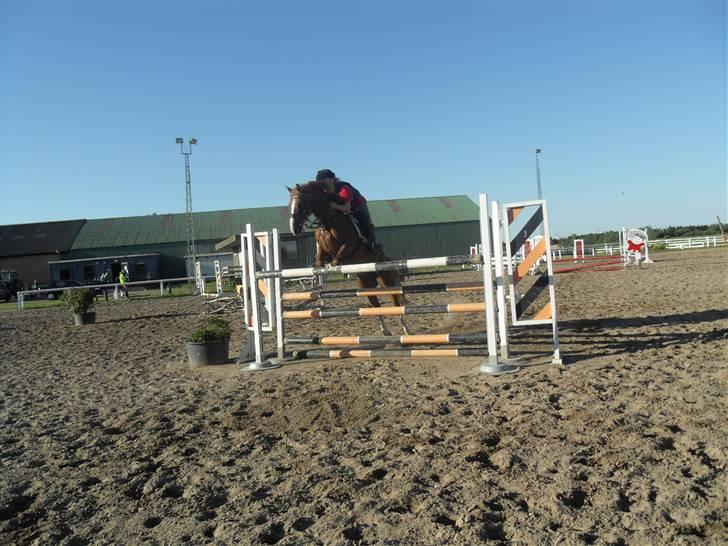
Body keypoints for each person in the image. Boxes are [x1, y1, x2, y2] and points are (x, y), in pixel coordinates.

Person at [315, 168, 381, 251]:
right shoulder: (325, 191)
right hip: (341, 205)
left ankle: (373, 243)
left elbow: (347, 207)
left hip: (357, 206)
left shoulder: (344, 188)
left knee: (366, 222)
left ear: (331, 180)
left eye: (323, 182)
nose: (322, 185)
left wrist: (335, 206)